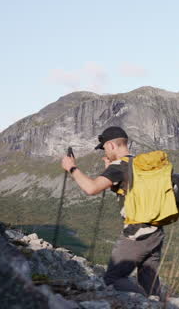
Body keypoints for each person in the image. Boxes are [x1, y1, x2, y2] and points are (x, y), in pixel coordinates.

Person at [60, 125, 166, 297]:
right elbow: (129, 191)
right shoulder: (138, 163)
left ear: (111, 146)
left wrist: (72, 167)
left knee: (113, 278)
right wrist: (109, 171)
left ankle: (148, 305)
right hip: (156, 230)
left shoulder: (118, 166)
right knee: (148, 279)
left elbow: (91, 188)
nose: (104, 153)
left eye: (104, 149)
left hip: (137, 233)